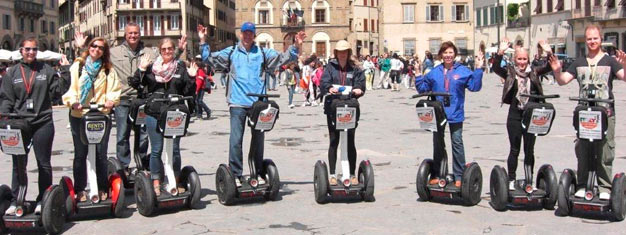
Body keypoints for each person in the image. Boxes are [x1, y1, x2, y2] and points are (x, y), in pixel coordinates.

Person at [199, 22, 305, 185]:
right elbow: (209, 59)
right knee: (236, 140)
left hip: (258, 104)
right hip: (237, 103)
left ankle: (257, 172)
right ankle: (235, 174)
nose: (247, 36)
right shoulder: (232, 52)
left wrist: (296, 45)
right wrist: (202, 41)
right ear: (241, 34)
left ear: (254, 35)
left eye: (250, 33)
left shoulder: (262, 53)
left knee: (258, 140)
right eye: (245, 33)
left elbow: (283, 58)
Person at [72, 23, 186, 173]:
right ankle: (123, 167)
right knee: (122, 135)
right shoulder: (114, 52)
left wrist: (180, 50)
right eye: (130, 33)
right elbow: (94, 56)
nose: (133, 36)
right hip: (123, 99)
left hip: (143, 99)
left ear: (140, 34)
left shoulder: (149, 53)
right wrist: (82, 48)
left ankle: (143, 164)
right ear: (125, 35)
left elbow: (166, 58)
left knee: (143, 136)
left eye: (136, 33)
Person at [549, 24, 626, 200]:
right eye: (589, 38)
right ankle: (583, 184)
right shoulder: (579, 62)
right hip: (585, 114)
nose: (592, 41)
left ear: (601, 39)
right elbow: (562, 81)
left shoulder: (610, 61)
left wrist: (625, 64)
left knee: (605, 150)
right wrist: (557, 71)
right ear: (586, 40)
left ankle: (605, 186)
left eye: (595, 38)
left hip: (605, 113)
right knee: (583, 149)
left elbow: (625, 76)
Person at [128, 38, 195, 196]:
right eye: (164, 49)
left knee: (175, 150)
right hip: (154, 112)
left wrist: (191, 78)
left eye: (170, 49)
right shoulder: (152, 68)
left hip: (174, 112)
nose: (167, 52)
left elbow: (188, 91)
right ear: (160, 50)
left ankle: (175, 180)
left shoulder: (180, 68)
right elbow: (136, 84)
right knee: (157, 149)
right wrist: (141, 70)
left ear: (173, 50)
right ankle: (156, 181)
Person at [415, 41, 484, 187]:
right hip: (438, 112)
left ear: (455, 54)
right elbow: (422, 89)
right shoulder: (434, 72)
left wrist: (478, 68)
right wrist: (417, 73)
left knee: (457, 142)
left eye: (451, 52)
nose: (448, 55)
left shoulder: (463, 71)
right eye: (445, 53)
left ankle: (459, 175)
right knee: (438, 143)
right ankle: (439, 173)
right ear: (441, 55)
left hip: (456, 112)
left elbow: (475, 87)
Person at [1, 38, 57, 215]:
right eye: (27, 49)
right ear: (21, 51)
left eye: (34, 49)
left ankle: (44, 199)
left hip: (42, 121)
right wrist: (3, 119)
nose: (31, 52)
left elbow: (57, 92)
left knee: (44, 163)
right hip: (19, 123)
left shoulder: (46, 70)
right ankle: (16, 199)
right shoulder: (12, 73)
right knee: (18, 163)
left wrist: (63, 72)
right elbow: (7, 99)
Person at [62, 37, 121, 201]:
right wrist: (73, 101)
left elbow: (114, 89)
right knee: (80, 154)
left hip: (100, 115)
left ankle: (102, 187)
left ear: (104, 51)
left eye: (101, 48)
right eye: (94, 46)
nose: (97, 49)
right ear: (89, 48)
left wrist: (111, 100)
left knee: (101, 154)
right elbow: (71, 87)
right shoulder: (78, 66)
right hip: (79, 115)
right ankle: (80, 189)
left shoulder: (108, 69)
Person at [493, 38, 553, 190]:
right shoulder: (509, 72)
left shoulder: (534, 72)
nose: (522, 62)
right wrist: (500, 52)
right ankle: (511, 179)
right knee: (514, 149)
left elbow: (550, 66)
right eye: (519, 59)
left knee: (529, 149)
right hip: (514, 115)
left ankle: (529, 178)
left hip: (531, 115)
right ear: (515, 59)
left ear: (528, 59)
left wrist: (549, 51)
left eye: (524, 59)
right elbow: (495, 68)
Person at [320, 40, 366, 185]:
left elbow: (361, 83)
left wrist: (359, 89)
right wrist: (328, 88)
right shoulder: (330, 67)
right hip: (333, 107)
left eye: (345, 51)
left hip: (349, 107)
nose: (342, 54)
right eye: (340, 51)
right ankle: (332, 174)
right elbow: (323, 82)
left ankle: (352, 174)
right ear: (336, 53)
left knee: (350, 140)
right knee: (334, 140)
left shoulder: (355, 68)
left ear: (348, 53)